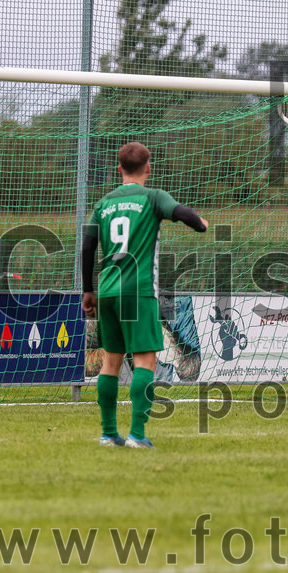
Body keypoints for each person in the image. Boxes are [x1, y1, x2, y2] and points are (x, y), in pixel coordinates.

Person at [82, 142, 209, 448]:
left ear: (119, 169)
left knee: (111, 362)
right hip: (138, 292)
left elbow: (87, 247)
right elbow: (183, 213)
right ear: (148, 168)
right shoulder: (152, 197)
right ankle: (137, 435)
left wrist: (88, 290)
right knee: (145, 361)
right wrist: (200, 223)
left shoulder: (104, 203)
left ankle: (108, 434)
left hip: (108, 291)